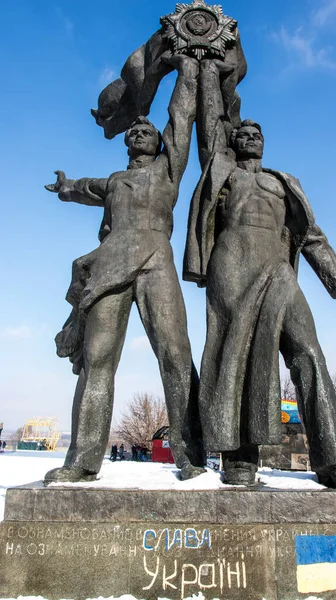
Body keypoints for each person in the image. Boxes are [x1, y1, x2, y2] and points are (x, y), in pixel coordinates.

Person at [184, 62, 336, 491]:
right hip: (230, 268)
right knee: (233, 356)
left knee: (308, 352)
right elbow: (212, 116)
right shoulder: (223, 173)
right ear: (232, 141)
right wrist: (210, 67)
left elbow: (313, 239)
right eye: (242, 133)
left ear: (265, 144)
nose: (249, 136)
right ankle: (239, 458)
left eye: (257, 133)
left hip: (277, 270)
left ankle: (332, 461)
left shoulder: (284, 183)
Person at [44, 55, 205, 484]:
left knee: (175, 354)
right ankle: (81, 460)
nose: (138, 132)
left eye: (146, 130)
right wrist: (65, 187)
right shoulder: (115, 181)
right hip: (112, 263)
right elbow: (82, 188)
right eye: (134, 130)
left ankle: (190, 455)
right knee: (98, 360)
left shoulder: (169, 171)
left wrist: (187, 71)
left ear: (158, 143)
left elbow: (181, 117)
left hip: (156, 261)